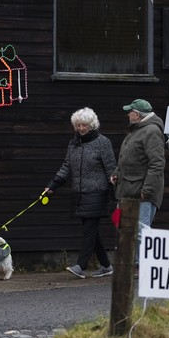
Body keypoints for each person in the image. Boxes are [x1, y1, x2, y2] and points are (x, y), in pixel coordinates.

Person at [45, 107, 117, 279]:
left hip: (98, 192)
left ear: (92, 125)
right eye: (78, 125)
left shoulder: (103, 142)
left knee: (89, 229)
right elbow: (66, 167)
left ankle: (81, 266)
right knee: (91, 230)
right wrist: (52, 185)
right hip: (79, 194)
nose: (81, 128)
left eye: (84, 125)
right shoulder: (74, 143)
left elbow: (111, 169)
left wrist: (115, 191)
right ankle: (106, 266)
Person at [110, 99, 166, 266]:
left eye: (130, 111)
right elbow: (129, 159)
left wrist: (146, 190)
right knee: (124, 226)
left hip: (142, 192)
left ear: (137, 114)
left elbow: (157, 163)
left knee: (141, 231)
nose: (128, 114)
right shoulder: (137, 130)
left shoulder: (151, 131)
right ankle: (132, 263)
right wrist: (116, 173)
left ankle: (144, 266)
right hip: (128, 188)